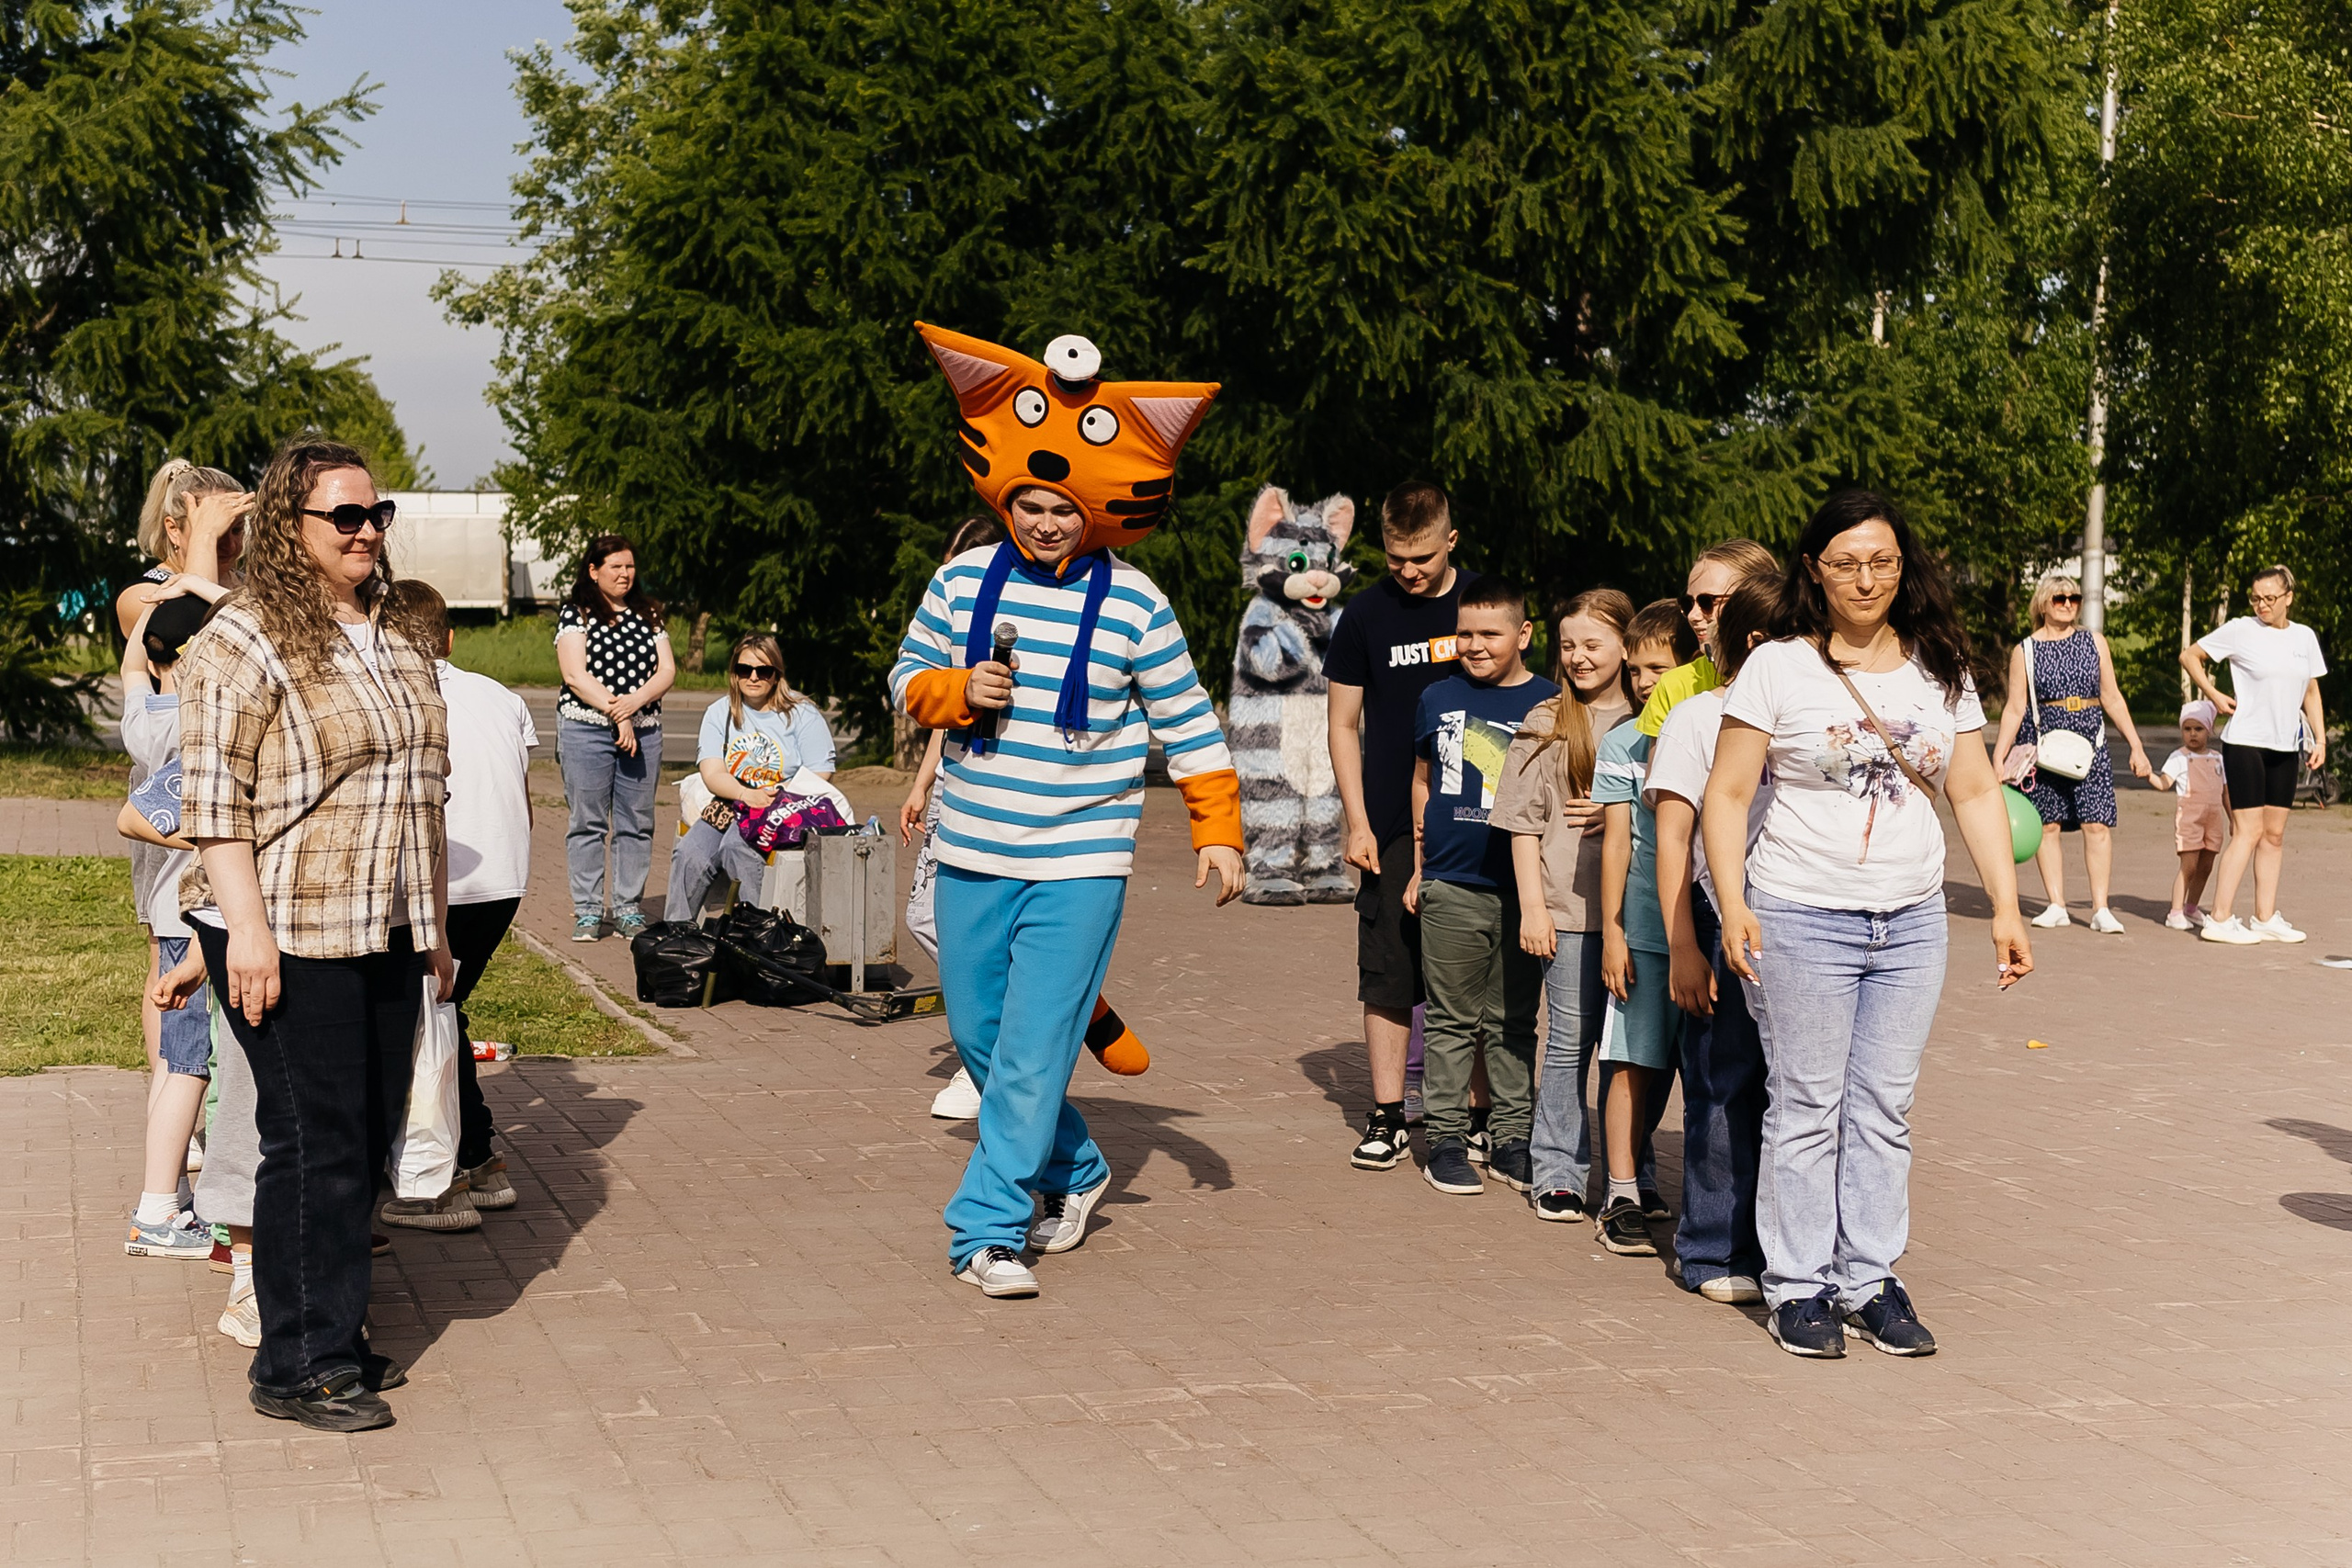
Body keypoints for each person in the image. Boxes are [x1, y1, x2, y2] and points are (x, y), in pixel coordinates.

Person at [892, 322, 1242, 1300]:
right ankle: (1076, 1167)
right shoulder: (962, 579)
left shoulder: (1138, 604)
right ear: (1008, 498)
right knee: (982, 1037)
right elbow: (905, 678)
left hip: (1081, 861)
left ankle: (988, 1232)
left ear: (1092, 508)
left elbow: (1191, 724)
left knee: (1037, 1044)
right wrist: (960, 691)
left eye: (1062, 508)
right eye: (1031, 505)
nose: (1046, 522)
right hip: (972, 849)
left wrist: (1218, 832)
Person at [1703, 490, 2032, 1360]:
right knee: (1809, 1103)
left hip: (1913, 918)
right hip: (1801, 913)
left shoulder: (1939, 662)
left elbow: (1970, 789)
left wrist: (2004, 903)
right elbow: (1729, 793)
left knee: (1884, 1106)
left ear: (1903, 563)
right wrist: (1733, 903)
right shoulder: (1779, 664)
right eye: (1846, 561)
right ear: (1815, 568)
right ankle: (1800, 1286)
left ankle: (1869, 1279)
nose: (1866, 578)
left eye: (1881, 560)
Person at [176, 435, 454, 1431]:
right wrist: (245, 932)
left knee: (367, 1136)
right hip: (280, 925)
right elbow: (214, 802)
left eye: (377, 514)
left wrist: (433, 923)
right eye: (345, 516)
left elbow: (425, 787)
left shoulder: (390, 632)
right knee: (313, 1137)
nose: (368, 531)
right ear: (289, 528)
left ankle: (328, 1328)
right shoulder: (241, 639)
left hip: (381, 924)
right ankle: (297, 1363)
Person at [375, 581, 537, 1232]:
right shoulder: (502, 695)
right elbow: (521, 796)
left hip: (441, 881)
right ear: (449, 637)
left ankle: (436, 1180)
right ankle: (479, 1159)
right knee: (445, 1011)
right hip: (505, 877)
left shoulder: (398, 692)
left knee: (423, 1022)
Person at [1326, 481, 1479, 1170]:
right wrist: (1357, 822)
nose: (1409, 572)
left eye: (1421, 557)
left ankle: (1480, 1114)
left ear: (1450, 540)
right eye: (1396, 559)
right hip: (1389, 821)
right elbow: (1342, 724)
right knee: (1388, 971)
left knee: (1476, 972)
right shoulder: (1364, 615)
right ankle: (1388, 1113)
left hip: (1476, 819)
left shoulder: (1482, 604)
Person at [1401, 576, 1560, 1198]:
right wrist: (1420, 865)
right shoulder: (1437, 697)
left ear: (1522, 634)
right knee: (1448, 1020)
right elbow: (1422, 781)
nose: (1474, 644)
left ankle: (1512, 1136)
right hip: (1452, 884)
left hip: (1525, 893)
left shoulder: (1551, 703)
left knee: (1515, 1020)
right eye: (1464, 632)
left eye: (1489, 633)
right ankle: (1444, 1139)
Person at [1647, 574, 1779, 1303]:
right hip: (1710, 912)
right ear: (1761, 644)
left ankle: (1779, 1246)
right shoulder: (1699, 718)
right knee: (1723, 1080)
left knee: (1787, 1089)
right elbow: (1671, 840)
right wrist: (1684, 947)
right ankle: (1712, 1247)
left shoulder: (1804, 716)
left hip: (1796, 914)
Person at [1495, 591, 1645, 1223]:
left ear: (1625, 647)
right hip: (1569, 912)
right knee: (1570, 1041)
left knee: (1633, 1051)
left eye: (1593, 644)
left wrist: (1619, 808)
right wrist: (1533, 907)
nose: (1579, 657)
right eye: (1569, 645)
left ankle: (1632, 1175)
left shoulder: (1655, 719)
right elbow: (1522, 824)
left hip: (1642, 913)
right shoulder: (1548, 720)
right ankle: (1556, 1168)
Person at [117, 459, 248, 1117]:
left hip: (238, 797)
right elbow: (188, 634)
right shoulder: (143, 596)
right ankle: (178, 1104)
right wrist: (202, 543)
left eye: (237, 528)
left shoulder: (247, 591)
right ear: (175, 527)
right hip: (170, 808)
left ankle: (208, 1100)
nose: (234, 544)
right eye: (221, 529)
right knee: (172, 953)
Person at [116, 584, 229, 1259]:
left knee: (174, 1060)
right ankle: (160, 1208)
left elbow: (136, 663)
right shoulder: (197, 725)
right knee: (190, 1061)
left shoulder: (147, 715)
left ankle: (166, 1198)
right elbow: (137, 812)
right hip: (192, 916)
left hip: (167, 912)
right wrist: (213, 842)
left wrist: (155, 623)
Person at [1579, 600, 1694, 1247]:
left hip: (1704, 936)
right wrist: (1615, 932)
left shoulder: (1715, 731)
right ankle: (1621, 1191)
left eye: (1659, 666)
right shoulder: (1623, 742)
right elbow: (1618, 843)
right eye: (1636, 667)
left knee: (1694, 1073)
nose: (1645, 680)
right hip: (1644, 937)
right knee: (1628, 1062)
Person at [1991, 571, 2154, 933]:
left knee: (2096, 824)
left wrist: (2137, 746)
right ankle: (2056, 904)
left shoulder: (2095, 642)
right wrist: (1999, 759)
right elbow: (2014, 708)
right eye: (2059, 599)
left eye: (2074, 599)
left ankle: (2101, 908)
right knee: (2047, 826)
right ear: (2043, 604)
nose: (2067, 605)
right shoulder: (2025, 650)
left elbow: (2111, 696)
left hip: (2089, 742)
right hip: (2043, 745)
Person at [2182, 566, 2328, 945]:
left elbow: (2310, 691)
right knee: (2247, 832)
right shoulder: (2240, 629)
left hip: (2285, 745)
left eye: (2269, 599)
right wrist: (2213, 695)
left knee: (2274, 835)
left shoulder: (2304, 637)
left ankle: (2264, 917)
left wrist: (2321, 740)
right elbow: (2190, 656)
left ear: (2288, 598)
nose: (2262, 605)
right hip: (2246, 741)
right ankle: (2219, 918)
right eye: (2256, 598)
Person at [664, 633, 836, 922]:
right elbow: (712, 771)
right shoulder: (720, 713)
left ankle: (757, 936)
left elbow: (821, 772)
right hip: (732, 803)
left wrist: (774, 798)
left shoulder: (801, 713)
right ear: (734, 674)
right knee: (688, 854)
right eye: (744, 670)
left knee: (736, 847)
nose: (753, 677)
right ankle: (676, 940)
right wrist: (745, 795)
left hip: (782, 808)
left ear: (776, 675)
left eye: (763, 671)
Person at [556, 534, 674, 942]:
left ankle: (627, 907)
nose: (625, 574)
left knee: (637, 823)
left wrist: (633, 706)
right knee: (587, 821)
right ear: (594, 571)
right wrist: (615, 711)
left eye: (629, 566)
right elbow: (574, 675)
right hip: (585, 729)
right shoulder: (577, 613)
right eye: (615, 567)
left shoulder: (650, 614)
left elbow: (666, 672)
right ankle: (588, 910)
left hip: (644, 731)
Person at [1635, 538, 1781, 737]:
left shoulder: (1800, 670)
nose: (1693, 616)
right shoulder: (1673, 686)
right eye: (1687, 604)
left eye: (1707, 602)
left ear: (1757, 598)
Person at [2150, 700, 2228, 930]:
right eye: (2187, 729)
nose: (2192, 734)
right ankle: (2175, 911)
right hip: (2190, 819)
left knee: (2206, 865)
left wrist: (2234, 820)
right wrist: (2148, 775)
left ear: (2209, 730)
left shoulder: (2218, 758)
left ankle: (2191, 908)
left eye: (2198, 729)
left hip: (2213, 819)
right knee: (2189, 865)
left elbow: (2226, 793)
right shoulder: (2179, 757)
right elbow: (2164, 783)